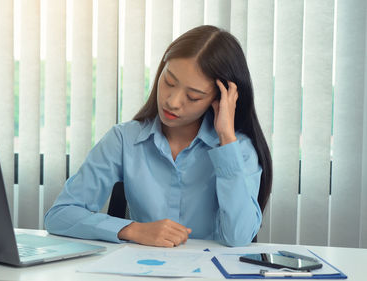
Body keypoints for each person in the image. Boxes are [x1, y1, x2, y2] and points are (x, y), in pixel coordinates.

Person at [44, 25, 272, 247]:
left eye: (193, 96)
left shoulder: (238, 150)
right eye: (169, 82)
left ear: (220, 100)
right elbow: (60, 215)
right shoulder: (124, 139)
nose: (172, 101)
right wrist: (133, 230)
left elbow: (239, 237)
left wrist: (226, 138)